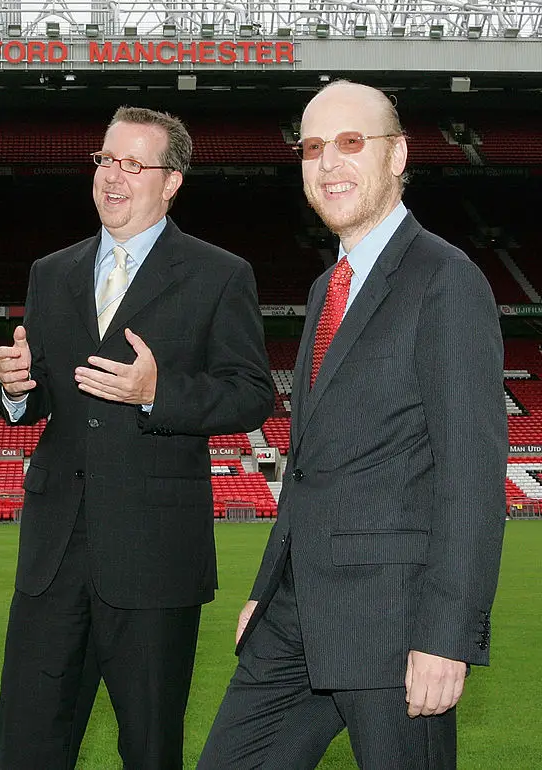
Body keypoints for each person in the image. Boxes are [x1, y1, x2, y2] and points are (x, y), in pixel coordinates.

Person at [198, 81, 506, 769]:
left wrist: (447, 636)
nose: (328, 163)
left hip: (395, 625)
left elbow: (472, 473)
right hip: (296, 613)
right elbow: (310, 463)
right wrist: (266, 587)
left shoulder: (445, 281)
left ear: (397, 156)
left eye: (350, 142)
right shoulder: (326, 286)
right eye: (312, 147)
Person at [0, 105, 274, 769]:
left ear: (171, 181)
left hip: (154, 553)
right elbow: (38, 403)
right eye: (105, 159)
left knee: (149, 747)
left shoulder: (218, 274)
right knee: (27, 744)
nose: (113, 176)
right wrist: (13, 388)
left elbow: (252, 393)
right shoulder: (51, 272)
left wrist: (158, 392)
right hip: (53, 551)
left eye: (134, 163)